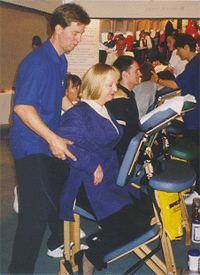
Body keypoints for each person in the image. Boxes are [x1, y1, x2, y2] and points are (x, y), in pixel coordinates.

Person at [8, 3, 90, 274]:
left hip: (49, 141)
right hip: (31, 145)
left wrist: (82, 112)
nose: (78, 40)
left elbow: (58, 98)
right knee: (34, 217)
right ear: (58, 29)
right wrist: (53, 138)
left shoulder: (60, 60)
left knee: (62, 190)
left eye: (81, 34)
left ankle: (57, 241)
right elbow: (23, 107)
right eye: (75, 33)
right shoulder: (37, 62)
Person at [57, 63, 153, 275]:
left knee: (146, 211)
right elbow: (63, 146)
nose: (114, 88)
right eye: (110, 85)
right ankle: (89, 257)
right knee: (126, 225)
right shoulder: (79, 113)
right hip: (88, 183)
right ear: (97, 85)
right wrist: (92, 164)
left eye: (115, 84)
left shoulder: (102, 108)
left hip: (109, 178)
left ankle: (97, 243)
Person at [151, 33, 200, 202]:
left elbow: (177, 84)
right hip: (195, 114)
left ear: (186, 47)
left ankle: (197, 191)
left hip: (196, 117)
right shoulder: (195, 64)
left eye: (179, 49)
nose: (178, 53)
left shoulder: (195, 64)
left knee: (196, 153)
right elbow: (187, 87)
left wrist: (158, 80)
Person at [106, 55, 141, 162]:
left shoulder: (129, 94)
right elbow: (118, 139)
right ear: (125, 74)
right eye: (137, 71)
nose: (140, 74)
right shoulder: (119, 99)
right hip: (122, 157)